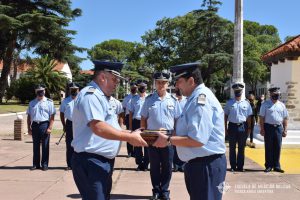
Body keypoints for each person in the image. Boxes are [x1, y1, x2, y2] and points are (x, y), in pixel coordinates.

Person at [71, 60, 147, 200]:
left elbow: (113, 128)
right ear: (102, 77)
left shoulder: (104, 98)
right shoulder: (91, 96)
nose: (116, 83)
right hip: (90, 161)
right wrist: (130, 138)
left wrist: (133, 133)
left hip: (102, 162)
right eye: (114, 79)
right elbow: (98, 127)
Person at [154, 62, 227, 200]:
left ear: (191, 81)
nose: (176, 86)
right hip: (199, 165)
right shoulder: (193, 98)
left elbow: (197, 139)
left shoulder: (201, 100)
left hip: (206, 165)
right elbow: (189, 131)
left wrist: (168, 140)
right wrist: (169, 133)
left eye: (179, 81)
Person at [141, 71, 181, 200]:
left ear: (168, 84)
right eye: (158, 82)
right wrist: (144, 135)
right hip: (152, 136)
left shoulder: (173, 100)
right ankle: (156, 191)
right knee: (154, 166)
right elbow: (143, 118)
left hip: (168, 136)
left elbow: (177, 120)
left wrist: (174, 136)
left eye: (163, 82)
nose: (161, 85)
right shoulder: (149, 99)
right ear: (155, 83)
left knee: (167, 165)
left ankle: (164, 190)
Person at [27, 84, 56, 171]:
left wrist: (50, 127)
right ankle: (36, 164)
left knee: (45, 146)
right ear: (36, 92)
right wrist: (29, 128)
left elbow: (52, 116)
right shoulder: (32, 103)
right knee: (35, 146)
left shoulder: (49, 102)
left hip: (44, 125)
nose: (41, 92)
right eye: (39, 91)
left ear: (45, 91)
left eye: (42, 91)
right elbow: (29, 116)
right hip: (35, 125)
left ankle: (44, 164)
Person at [259, 87, 288, 173]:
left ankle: (276, 166)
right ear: (270, 94)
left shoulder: (282, 105)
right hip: (268, 127)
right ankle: (268, 165)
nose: (276, 96)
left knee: (278, 147)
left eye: (277, 95)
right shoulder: (265, 104)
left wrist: (285, 129)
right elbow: (262, 118)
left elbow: (285, 118)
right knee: (268, 147)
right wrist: (262, 129)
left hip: (278, 128)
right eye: (274, 95)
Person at [224, 83, 252, 172]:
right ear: (234, 91)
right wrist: (225, 129)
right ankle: (233, 166)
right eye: (236, 91)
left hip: (242, 126)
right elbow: (225, 116)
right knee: (232, 148)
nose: (238, 92)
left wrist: (249, 128)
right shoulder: (229, 103)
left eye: (239, 91)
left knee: (241, 148)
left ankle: (240, 167)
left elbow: (249, 117)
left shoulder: (246, 103)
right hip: (232, 126)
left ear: (242, 91)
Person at [128, 80, 149, 171]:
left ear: (146, 87)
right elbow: (131, 113)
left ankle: (146, 164)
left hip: (147, 123)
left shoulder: (149, 98)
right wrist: (130, 126)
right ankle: (139, 163)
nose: (142, 88)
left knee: (147, 144)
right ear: (138, 87)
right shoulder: (134, 99)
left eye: (144, 86)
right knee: (137, 145)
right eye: (140, 86)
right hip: (136, 122)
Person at [60, 82, 80, 170]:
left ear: (78, 90)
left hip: (80, 124)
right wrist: (64, 125)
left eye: (75, 89)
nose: (74, 91)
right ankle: (70, 164)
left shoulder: (82, 100)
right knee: (69, 144)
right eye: (72, 89)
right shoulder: (65, 101)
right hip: (69, 123)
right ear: (69, 90)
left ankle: (79, 164)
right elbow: (61, 113)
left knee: (80, 144)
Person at [122, 82, 138, 157]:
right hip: (128, 117)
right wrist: (124, 119)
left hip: (136, 117)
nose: (133, 89)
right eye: (132, 88)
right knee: (129, 133)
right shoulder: (126, 98)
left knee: (136, 134)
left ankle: (136, 151)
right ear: (130, 88)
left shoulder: (139, 97)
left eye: (135, 88)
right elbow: (124, 109)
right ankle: (130, 152)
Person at [172, 88, 187, 172]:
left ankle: (183, 165)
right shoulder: (173, 100)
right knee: (174, 145)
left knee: (183, 145)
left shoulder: (187, 101)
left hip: (184, 126)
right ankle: (175, 165)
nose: (179, 91)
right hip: (175, 126)